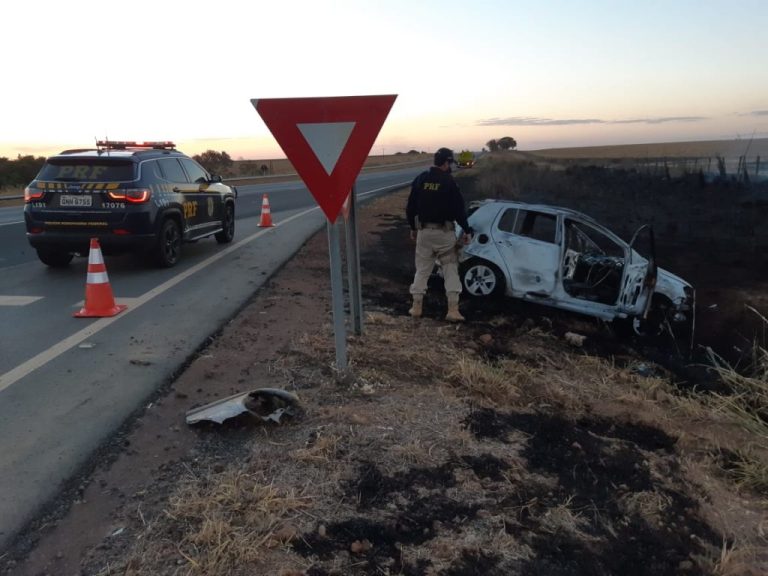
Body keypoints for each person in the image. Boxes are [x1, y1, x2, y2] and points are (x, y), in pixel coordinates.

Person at [406, 147, 473, 321]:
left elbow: (411, 206)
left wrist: (412, 228)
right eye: (450, 163)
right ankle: (453, 310)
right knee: (450, 270)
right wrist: (466, 229)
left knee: (422, 270)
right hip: (445, 234)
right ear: (445, 163)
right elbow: (459, 209)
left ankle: (416, 307)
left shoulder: (421, 178)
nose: (451, 166)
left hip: (424, 233)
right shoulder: (449, 182)